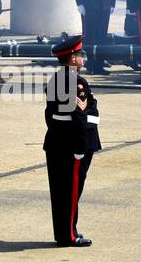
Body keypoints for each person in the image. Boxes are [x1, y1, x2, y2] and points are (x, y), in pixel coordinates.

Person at [43, 36, 100, 247]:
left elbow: (50, 115)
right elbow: (79, 117)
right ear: (72, 58)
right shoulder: (76, 82)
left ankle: (64, 232)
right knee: (71, 191)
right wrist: (80, 148)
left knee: (60, 192)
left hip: (56, 142)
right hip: (73, 146)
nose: (83, 58)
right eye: (80, 54)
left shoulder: (56, 79)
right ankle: (69, 235)